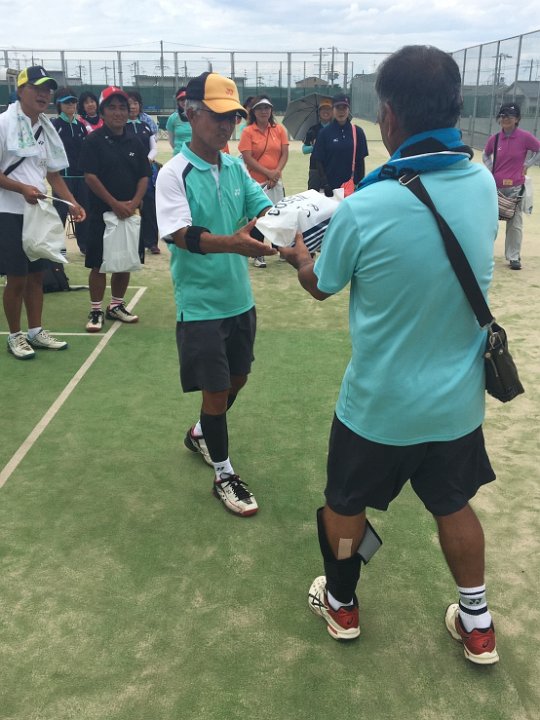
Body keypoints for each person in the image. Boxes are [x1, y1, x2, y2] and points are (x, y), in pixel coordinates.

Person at [279, 45, 501, 665]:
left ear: (390, 115)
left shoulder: (366, 206)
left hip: (378, 407)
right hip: (456, 405)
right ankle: (478, 625)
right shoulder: (482, 183)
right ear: (455, 108)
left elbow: (321, 284)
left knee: (344, 506)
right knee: (453, 504)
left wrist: (299, 257)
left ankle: (342, 603)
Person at [155, 72, 276, 517]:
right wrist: (235, 244)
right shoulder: (174, 173)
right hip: (201, 304)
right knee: (216, 389)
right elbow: (181, 235)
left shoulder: (234, 166)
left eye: (233, 117)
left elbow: (263, 209)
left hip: (239, 299)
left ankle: (201, 433)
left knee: (236, 380)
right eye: (218, 115)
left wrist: (294, 225)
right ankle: (224, 475)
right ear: (191, 114)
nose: (227, 125)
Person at [0, 65, 85, 360]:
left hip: (38, 212)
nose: (43, 94)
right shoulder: (3, 123)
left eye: (47, 89)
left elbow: (53, 175)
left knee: (37, 275)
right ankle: (15, 335)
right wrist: (21, 188)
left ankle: (35, 331)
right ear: (20, 90)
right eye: (36, 88)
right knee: (17, 278)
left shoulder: (46, 128)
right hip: (9, 212)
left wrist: (72, 203)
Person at [79, 86, 151, 333]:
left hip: (129, 214)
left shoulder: (135, 141)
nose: (118, 112)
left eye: (122, 107)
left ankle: (117, 305)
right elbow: (90, 177)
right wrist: (114, 203)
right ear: (102, 112)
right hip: (102, 213)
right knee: (98, 264)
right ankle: (96, 309)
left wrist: (133, 202)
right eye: (112, 108)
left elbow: (144, 175)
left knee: (125, 262)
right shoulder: (93, 141)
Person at [483, 103, 540, 270]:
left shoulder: (525, 137)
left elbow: (538, 149)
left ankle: (514, 257)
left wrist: (528, 164)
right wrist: (491, 168)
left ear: (517, 119)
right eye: (502, 116)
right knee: (490, 221)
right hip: (496, 187)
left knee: (515, 223)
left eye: (509, 116)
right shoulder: (495, 139)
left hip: (516, 186)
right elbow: (486, 155)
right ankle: (485, 253)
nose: (505, 119)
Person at [238, 95, 289, 267]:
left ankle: (280, 248)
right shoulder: (248, 131)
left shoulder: (279, 130)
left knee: (279, 215)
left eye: (267, 108)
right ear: (253, 111)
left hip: (276, 181)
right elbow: (247, 157)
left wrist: (276, 174)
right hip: (255, 183)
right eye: (260, 108)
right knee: (257, 218)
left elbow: (284, 154)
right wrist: (268, 173)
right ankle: (257, 253)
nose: (264, 111)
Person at [51, 87, 89, 254]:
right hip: (62, 177)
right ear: (59, 104)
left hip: (80, 176)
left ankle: (84, 245)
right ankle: (57, 247)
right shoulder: (54, 125)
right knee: (60, 212)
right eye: (67, 102)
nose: (71, 105)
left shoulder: (81, 126)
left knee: (82, 210)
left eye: (73, 101)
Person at [312, 94, 368, 193]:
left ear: (349, 110)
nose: (341, 111)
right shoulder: (324, 133)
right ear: (333, 109)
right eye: (338, 108)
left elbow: (360, 161)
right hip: (329, 189)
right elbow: (319, 161)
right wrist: (325, 183)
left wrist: (360, 184)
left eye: (344, 108)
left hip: (351, 188)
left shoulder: (358, 132)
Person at [126, 91, 160, 255]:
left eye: (135, 103)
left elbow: (154, 148)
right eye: (129, 103)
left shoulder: (146, 126)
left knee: (149, 208)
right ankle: (131, 243)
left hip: (145, 174)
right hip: (127, 174)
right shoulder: (121, 127)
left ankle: (151, 242)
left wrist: (147, 159)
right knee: (129, 207)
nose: (133, 106)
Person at [302, 99, 333, 190]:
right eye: (323, 109)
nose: (326, 112)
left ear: (333, 112)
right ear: (319, 112)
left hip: (332, 168)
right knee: (313, 194)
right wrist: (314, 147)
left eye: (328, 109)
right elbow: (304, 150)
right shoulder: (313, 130)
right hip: (315, 169)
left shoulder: (336, 129)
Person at [166, 87, 192, 156]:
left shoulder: (197, 117)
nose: (185, 102)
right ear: (178, 101)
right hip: (179, 155)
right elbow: (171, 141)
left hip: (195, 155)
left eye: (187, 99)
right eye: (182, 99)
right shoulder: (172, 118)